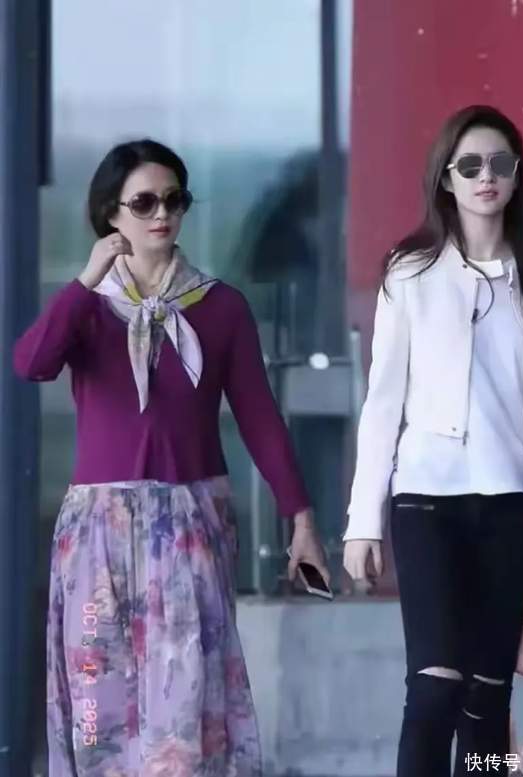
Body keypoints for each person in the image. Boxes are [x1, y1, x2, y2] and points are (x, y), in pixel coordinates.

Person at [14, 138, 329, 777]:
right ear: (111, 214)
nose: (162, 213)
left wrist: (300, 517)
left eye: (174, 200)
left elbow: (260, 418)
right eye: (144, 202)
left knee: (185, 710)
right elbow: (31, 363)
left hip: (188, 526)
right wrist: (85, 281)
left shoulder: (221, 307)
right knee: (98, 710)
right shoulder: (88, 308)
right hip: (97, 533)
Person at [342, 105, 523, 777]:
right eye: (469, 165)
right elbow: (381, 405)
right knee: (435, 688)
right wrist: (362, 523)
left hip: (512, 509)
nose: (485, 176)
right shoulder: (409, 273)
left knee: (487, 697)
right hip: (426, 502)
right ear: (446, 178)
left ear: (517, 175)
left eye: (499, 163)